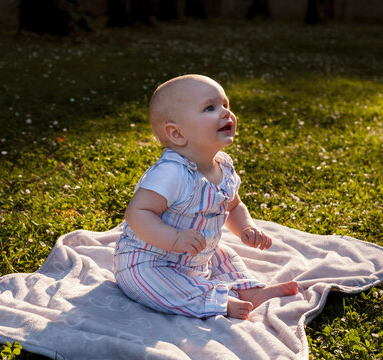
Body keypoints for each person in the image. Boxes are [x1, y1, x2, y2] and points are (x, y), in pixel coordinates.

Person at [114, 74, 298, 320]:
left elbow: (233, 206)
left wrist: (246, 227)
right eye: (210, 108)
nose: (225, 113)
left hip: (197, 257)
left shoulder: (224, 167)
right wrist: (174, 238)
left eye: (226, 105)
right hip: (150, 260)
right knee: (152, 282)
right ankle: (214, 301)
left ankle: (251, 291)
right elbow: (138, 213)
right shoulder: (171, 172)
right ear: (177, 134)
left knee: (225, 255)